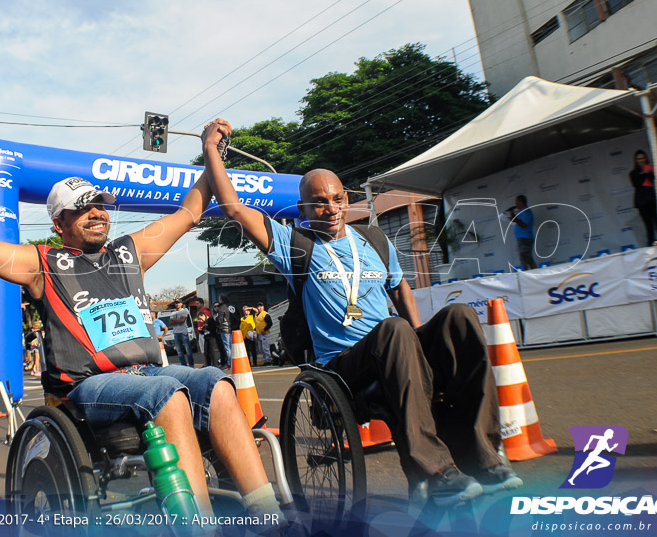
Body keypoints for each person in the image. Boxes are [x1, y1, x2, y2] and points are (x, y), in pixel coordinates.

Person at [0, 135, 282, 520]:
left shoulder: (129, 251)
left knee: (216, 382)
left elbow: (189, 213)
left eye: (99, 205)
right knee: (168, 393)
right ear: (58, 222)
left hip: (148, 372)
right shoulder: (42, 262)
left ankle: (269, 517)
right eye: (82, 208)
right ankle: (199, 524)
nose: (96, 212)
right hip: (91, 385)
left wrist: (212, 150)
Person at [201, 118, 521, 507]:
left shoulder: (373, 239)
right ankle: (434, 471)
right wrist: (211, 150)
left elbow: (400, 286)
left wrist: (421, 339)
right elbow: (234, 209)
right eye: (320, 201)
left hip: (396, 346)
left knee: (458, 318)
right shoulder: (295, 244)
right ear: (304, 207)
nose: (331, 208)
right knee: (393, 330)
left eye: (337, 198)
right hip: (342, 364)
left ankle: (482, 459)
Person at [629, 150, 657, 246]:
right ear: (636, 160)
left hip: (653, 200)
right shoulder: (633, 173)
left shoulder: (652, 169)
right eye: (639, 159)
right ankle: (651, 245)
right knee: (648, 225)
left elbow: (655, 181)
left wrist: (650, 172)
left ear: (646, 158)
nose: (641, 160)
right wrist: (643, 173)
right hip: (642, 203)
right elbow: (636, 184)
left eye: (642, 158)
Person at [506, 195, 536, 270]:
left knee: (526, 258)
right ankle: (528, 274)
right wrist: (511, 212)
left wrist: (514, 220)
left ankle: (534, 273)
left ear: (521, 202)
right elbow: (517, 220)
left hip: (525, 238)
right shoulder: (522, 212)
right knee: (525, 258)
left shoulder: (526, 212)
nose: (515, 204)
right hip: (522, 238)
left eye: (517, 202)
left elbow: (524, 224)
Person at [168, 300, 194, 368]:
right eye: (176, 303)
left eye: (178, 303)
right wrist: (177, 321)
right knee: (179, 351)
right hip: (176, 333)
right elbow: (170, 323)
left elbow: (182, 321)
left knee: (188, 350)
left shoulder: (184, 311)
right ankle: (183, 365)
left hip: (183, 332)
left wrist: (174, 320)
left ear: (181, 304)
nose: (177, 304)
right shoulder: (173, 312)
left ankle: (191, 365)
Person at [213, 299, 232, 368]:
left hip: (224, 330)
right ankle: (225, 362)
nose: (216, 307)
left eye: (217, 306)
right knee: (223, 348)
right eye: (215, 306)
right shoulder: (215, 315)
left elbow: (220, 321)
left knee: (227, 347)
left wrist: (220, 327)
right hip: (220, 332)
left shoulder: (221, 311)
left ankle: (229, 362)